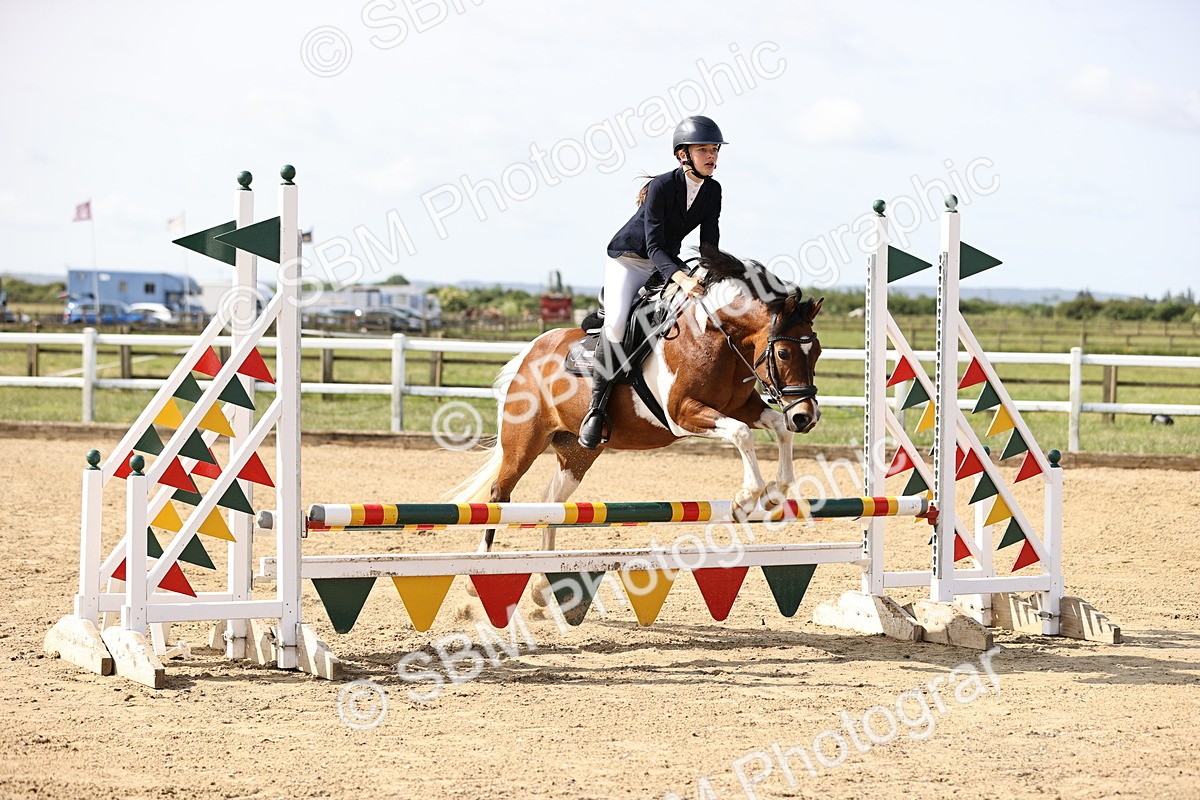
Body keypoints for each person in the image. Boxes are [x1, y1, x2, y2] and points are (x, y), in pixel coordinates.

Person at [577, 115, 726, 450]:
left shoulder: (713, 190)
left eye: (714, 149)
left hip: (664, 266)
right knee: (616, 325)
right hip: (629, 261)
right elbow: (655, 245)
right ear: (682, 154)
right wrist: (682, 279)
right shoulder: (662, 186)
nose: (711, 155)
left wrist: (715, 273)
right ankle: (595, 410)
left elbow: (709, 244)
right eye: (703, 149)